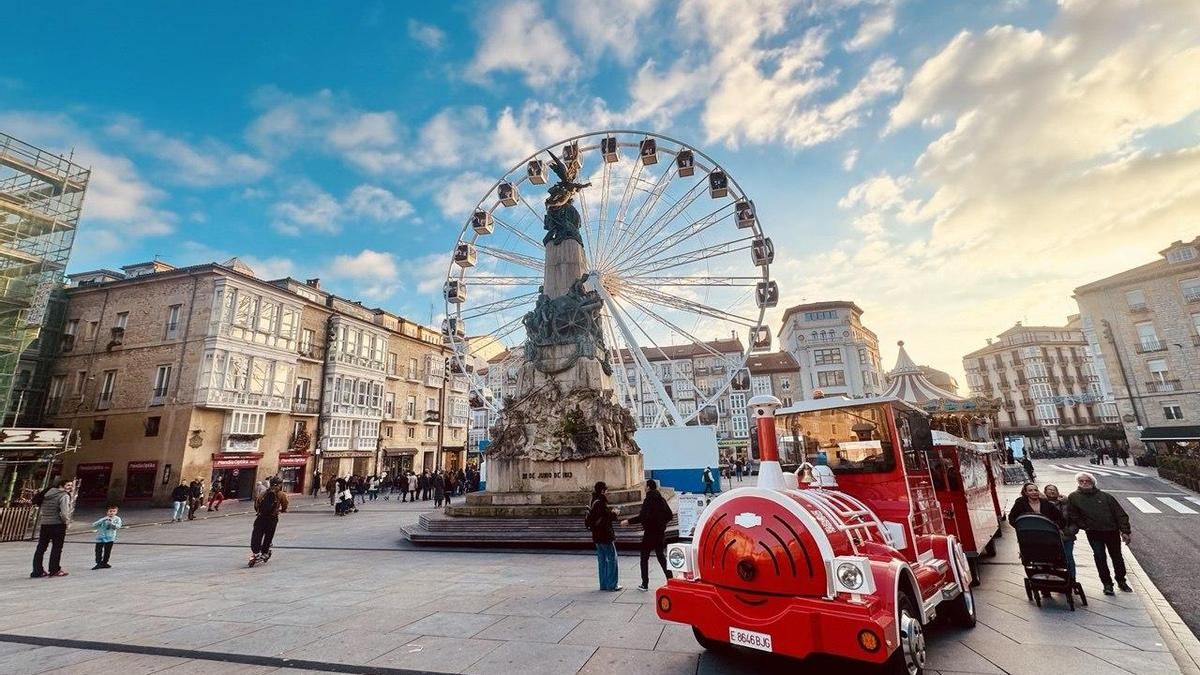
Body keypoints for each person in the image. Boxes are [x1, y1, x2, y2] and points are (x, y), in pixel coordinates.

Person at [1067, 472, 1132, 595]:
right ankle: (1107, 584)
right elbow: (1073, 514)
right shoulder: (1074, 497)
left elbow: (1119, 514)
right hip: (1094, 532)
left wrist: (1125, 531)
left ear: (1093, 482)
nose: (1085, 483)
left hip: (1111, 531)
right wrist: (1085, 526)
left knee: (1117, 557)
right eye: (1081, 481)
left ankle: (1121, 580)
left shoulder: (1106, 497)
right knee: (1100, 557)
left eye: (1087, 481)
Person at [622, 479, 674, 592]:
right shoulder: (661, 500)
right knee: (661, 557)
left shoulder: (648, 500)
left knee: (644, 558)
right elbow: (669, 515)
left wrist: (628, 521)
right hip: (660, 533)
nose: (644, 488)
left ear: (649, 488)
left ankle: (645, 584)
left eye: (645, 486)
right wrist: (662, 524)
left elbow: (642, 517)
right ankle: (671, 580)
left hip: (650, 534)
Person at [31, 479, 74, 578]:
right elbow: (64, 513)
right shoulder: (64, 496)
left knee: (41, 547)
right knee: (57, 548)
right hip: (57, 524)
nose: (70, 487)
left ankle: (37, 571)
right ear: (61, 485)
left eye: (71, 485)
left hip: (45, 524)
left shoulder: (46, 494)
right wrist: (67, 522)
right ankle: (54, 569)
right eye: (68, 485)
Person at [586, 481, 621, 592]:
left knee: (602, 560)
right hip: (605, 535)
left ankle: (604, 584)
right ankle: (612, 585)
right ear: (602, 491)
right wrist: (615, 513)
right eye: (606, 490)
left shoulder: (593, 501)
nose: (608, 493)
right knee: (612, 559)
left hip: (596, 535)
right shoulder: (601, 503)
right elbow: (605, 519)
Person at [250, 477, 289, 565]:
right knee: (268, 535)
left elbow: (256, 504)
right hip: (272, 518)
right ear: (279, 485)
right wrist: (283, 510)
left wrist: (259, 512)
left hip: (260, 517)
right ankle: (265, 552)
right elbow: (285, 504)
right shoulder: (281, 494)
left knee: (257, 534)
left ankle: (255, 552)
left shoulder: (263, 493)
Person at [1043, 484, 1078, 581]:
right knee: (1053, 560)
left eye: (1054, 490)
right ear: (1045, 492)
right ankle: (1058, 579)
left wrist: (1069, 532)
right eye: (1049, 490)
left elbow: (1074, 520)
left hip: (1067, 537)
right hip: (1051, 539)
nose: (1052, 491)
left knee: (1068, 558)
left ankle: (1072, 579)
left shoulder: (1066, 504)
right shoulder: (1043, 505)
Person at [91, 504, 122, 570]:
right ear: (107, 512)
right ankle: (98, 563)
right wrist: (102, 521)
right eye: (110, 511)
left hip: (110, 538)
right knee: (98, 551)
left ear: (116, 512)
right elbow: (94, 525)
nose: (112, 513)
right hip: (100, 537)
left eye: (114, 511)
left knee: (107, 551)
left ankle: (105, 562)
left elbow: (118, 526)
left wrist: (112, 524)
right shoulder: (103, 519)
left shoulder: (117, 519)